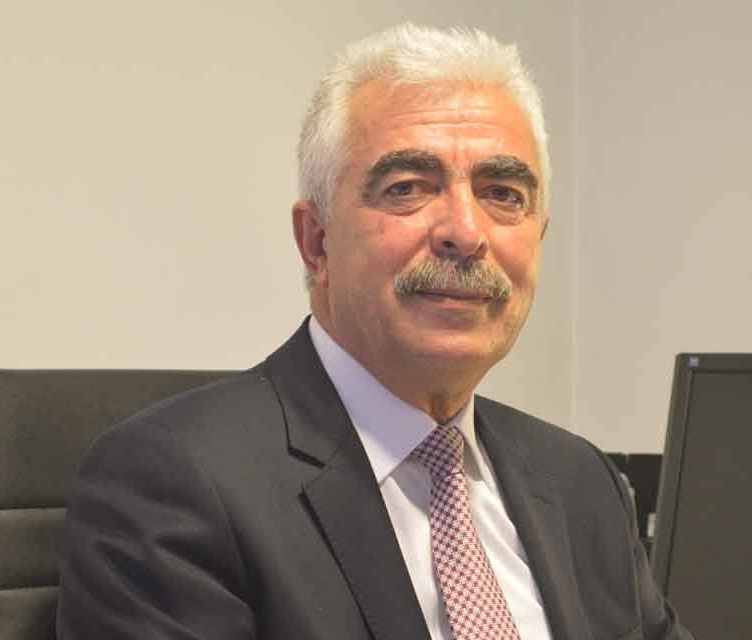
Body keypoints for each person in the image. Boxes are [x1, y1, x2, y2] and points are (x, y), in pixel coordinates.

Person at [56, 23, 690, 640]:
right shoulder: (172, 484)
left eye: (502, 193)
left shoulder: (580, 482)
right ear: (317, 242)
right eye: (408, 188)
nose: (466, 232)